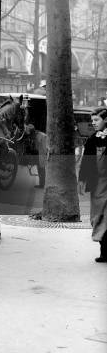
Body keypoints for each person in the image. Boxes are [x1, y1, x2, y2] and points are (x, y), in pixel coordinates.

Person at [78, 106, 107, 263]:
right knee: (99, 218)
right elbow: (86, 162)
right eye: (92, 121)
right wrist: (82, 180)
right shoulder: (92, 140)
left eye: (96, 120)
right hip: (98, 185)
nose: (93, 123)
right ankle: (104, 252)